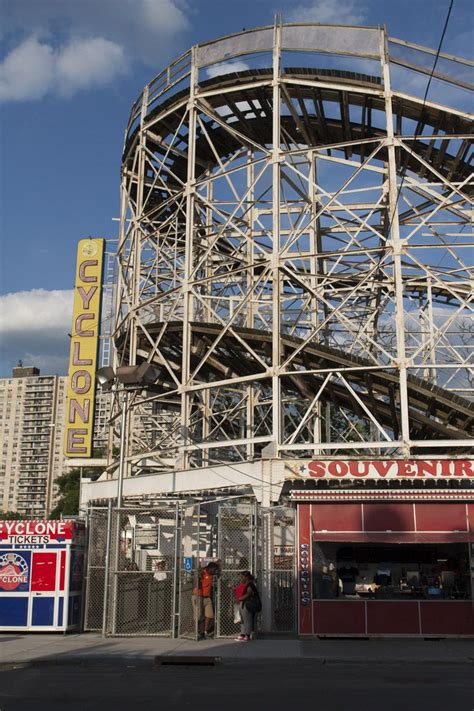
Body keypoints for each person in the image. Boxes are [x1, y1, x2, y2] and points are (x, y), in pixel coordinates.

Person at [192, 561, 219, 639]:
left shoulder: (211, 574)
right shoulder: (202, 573)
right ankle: (197, 632)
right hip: (198, 596)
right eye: (214, 570)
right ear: (210, 568)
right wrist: (199, 573)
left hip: (207, 597)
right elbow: (196, 578)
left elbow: (219, 567)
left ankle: (204, 631)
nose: (214, 572)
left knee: (209, 615)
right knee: (198, 614)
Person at [234, 570, 260, 642]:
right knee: (242, 620)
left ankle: (247, 635)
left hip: (247, 604)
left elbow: (248, 593)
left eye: (242, 577)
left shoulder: (250, 584)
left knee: (247, 620)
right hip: (243, 603)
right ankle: (243, 634)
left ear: (246, 577)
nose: (241, 578)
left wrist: (239, 599)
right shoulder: (245, 584)